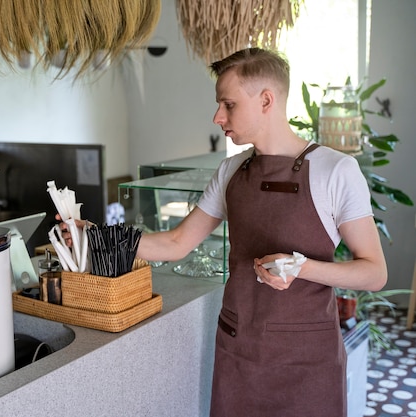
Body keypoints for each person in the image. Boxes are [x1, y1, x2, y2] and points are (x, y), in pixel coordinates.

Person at [58, 47, 387, 416]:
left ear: (266, 100)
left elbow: (374, 272)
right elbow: (176, 242)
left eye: (228, 104)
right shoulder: (231, 171)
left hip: (307, 363)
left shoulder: (336, 171)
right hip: (239, 352)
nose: (217, 116)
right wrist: (96, 237)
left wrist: (303, 268)